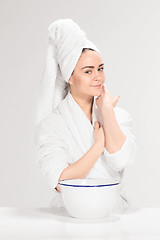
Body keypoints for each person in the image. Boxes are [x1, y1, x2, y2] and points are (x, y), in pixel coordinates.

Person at [34, 19, 137, 213]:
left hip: (114, 214)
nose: (98, 76)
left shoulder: (117, 115)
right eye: (88, 71)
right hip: (70, 214)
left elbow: (121, 159)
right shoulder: (52, 124)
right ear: (69, 77)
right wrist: (98, 146)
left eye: (100, 68)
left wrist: (107, 112)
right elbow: (60, 181)